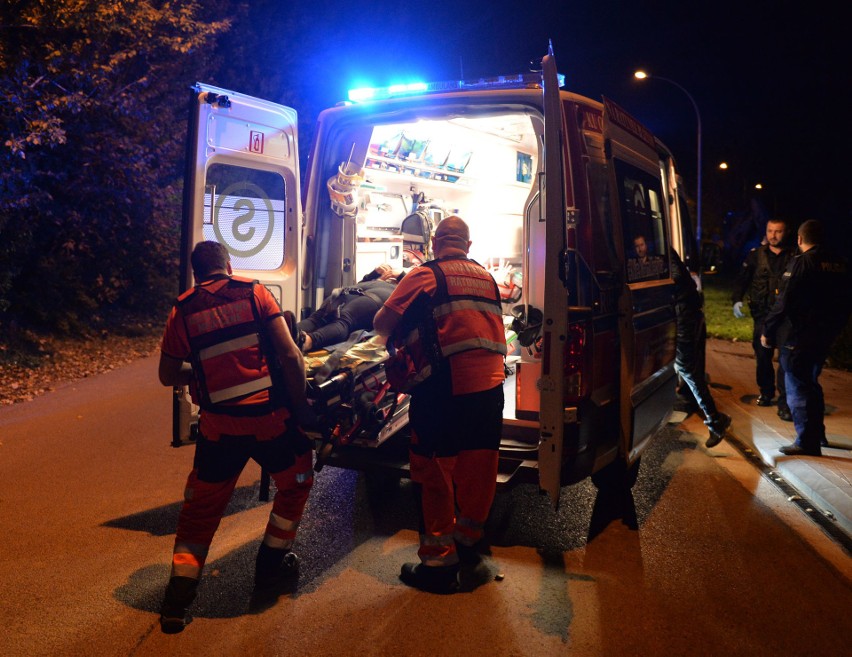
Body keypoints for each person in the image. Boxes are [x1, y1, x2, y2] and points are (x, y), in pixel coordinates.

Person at [157, 241, 315, 633]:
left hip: (218, 428)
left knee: (200, 511)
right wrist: (301, 409)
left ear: (196, 272)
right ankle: (270, 566)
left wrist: (200, 375)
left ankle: (177, 600)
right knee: (296, 484)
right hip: (269, 422)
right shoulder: (253, 292)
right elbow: (292, 357)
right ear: (228, 264)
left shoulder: (183, 308)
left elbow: (167, 375)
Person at [373, 216, 507, 594]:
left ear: (435, 242)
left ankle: (438, 564)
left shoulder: (425, 275)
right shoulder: (487, 278)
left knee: (432, 469)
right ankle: (468, 543)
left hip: (445, 388)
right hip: (490, 390)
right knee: (478, 466)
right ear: (468, 243)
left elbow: (383, 323)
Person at [762, 220, 851, 456]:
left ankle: (806, 441)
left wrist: (768, 329)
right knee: (811, 383)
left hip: (798, 335)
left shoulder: (803, 262)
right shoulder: (840, 263)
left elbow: (785, 302)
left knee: (798, 387)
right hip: (824, 335)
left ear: (800, 239)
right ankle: (817, 434)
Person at [731, 217, 794, 419]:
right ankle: (766, 392)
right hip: (762, 315)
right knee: (763, 357)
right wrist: (736, 299)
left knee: (786, 360)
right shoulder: (755, 256)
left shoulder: (795, 256)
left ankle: (784, 403)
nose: (773, 236)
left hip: (786, 317)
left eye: (778, 231)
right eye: (770, 231)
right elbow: (742, 279)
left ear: (786, 232)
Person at [670, 249, 731, 447]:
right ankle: (715, 419)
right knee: (685, 369)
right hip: (684, 315)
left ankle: (715, 421)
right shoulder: (661, 250)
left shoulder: (662, 252)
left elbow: (676, 280)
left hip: (683, 318)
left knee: (687, 369)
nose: (639, 248)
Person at [296, 264, 401, 352]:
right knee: (344, 321)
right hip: (365, 292)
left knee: (317, 319)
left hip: (352, 291)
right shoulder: (394, 283)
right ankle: (307, 341)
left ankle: (291, 333)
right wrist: (375, 273)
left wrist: (400, 275)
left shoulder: (403, 281)